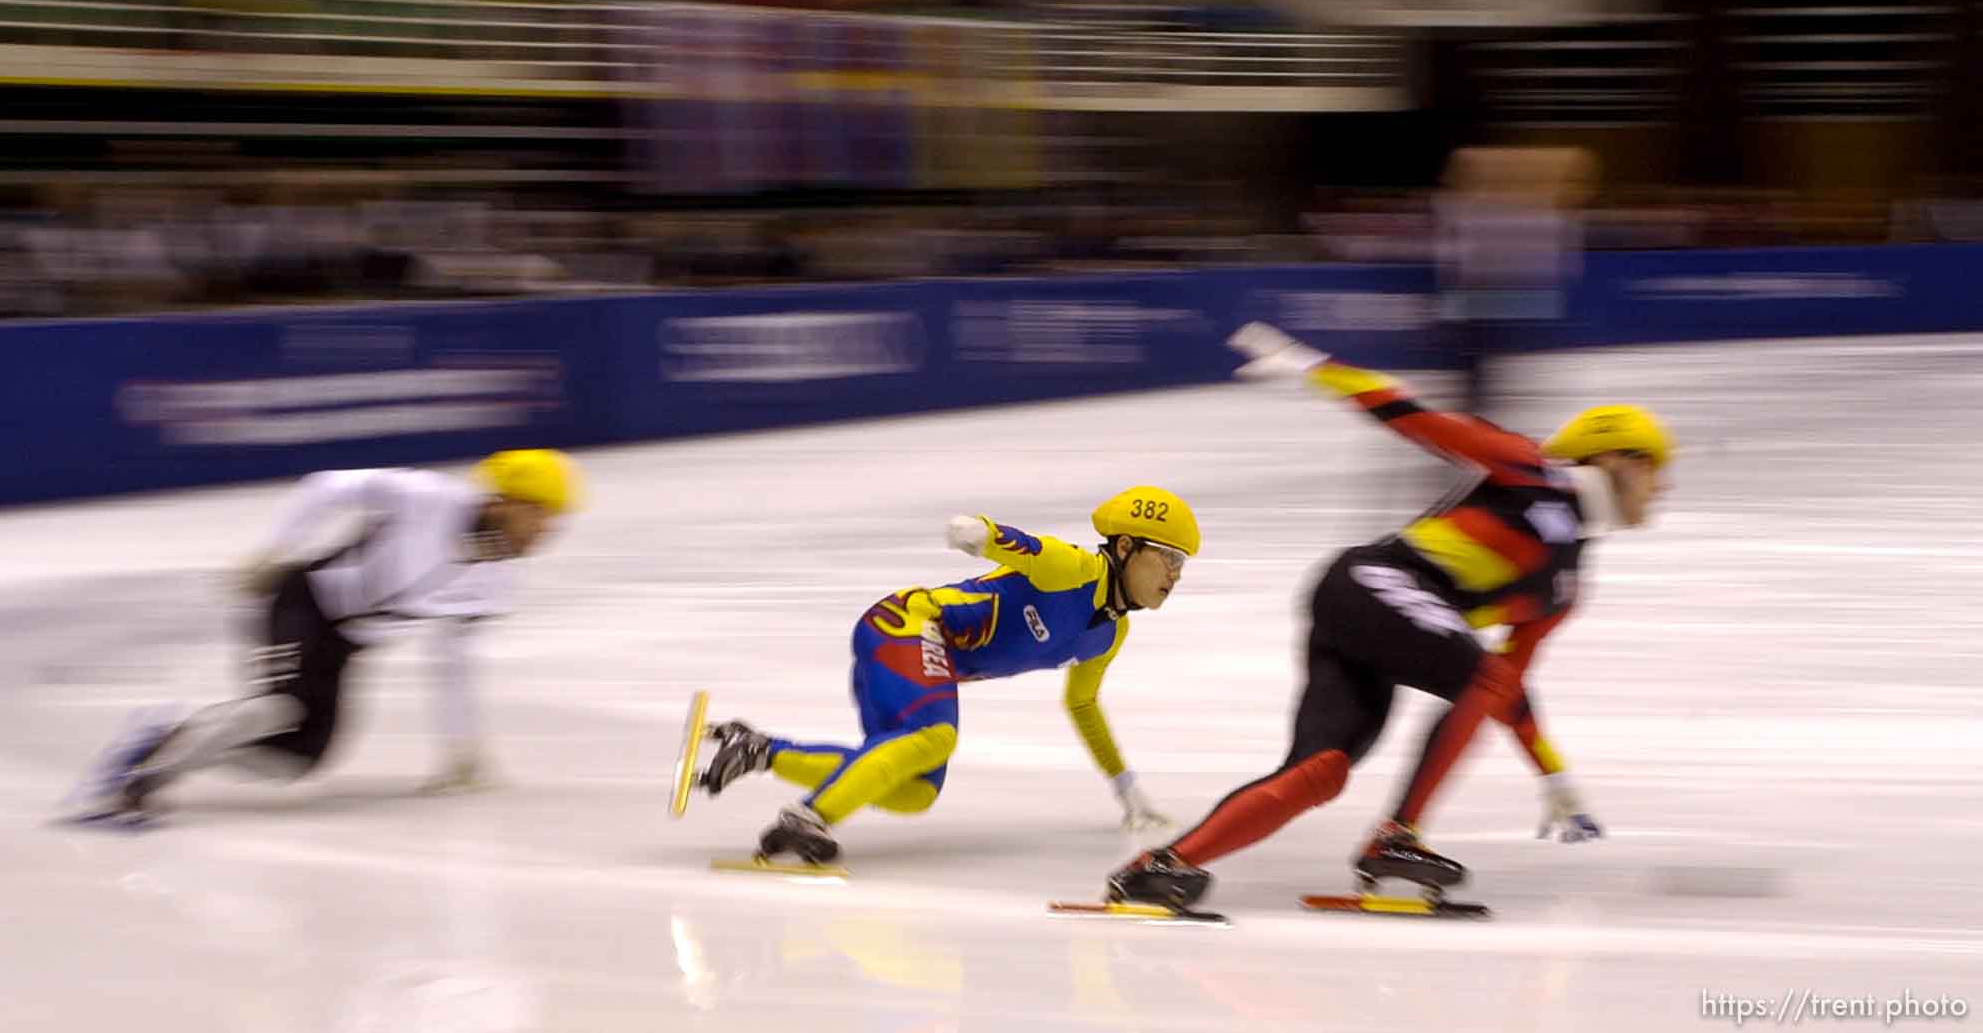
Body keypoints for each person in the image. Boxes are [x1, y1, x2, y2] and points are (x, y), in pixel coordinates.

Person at [1107, 322, 1670, 910]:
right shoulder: (1533, 470)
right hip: (1368, 583)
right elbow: (1413, 416)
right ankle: (1396, 839)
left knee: (1321, 771)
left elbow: (1511, 684)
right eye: (1656, 467)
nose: (1661, 488)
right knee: (1478, 676)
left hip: (1371, 616)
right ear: (1615, 457)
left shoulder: (1566, 585)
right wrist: (1312, 366)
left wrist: (1552, 775)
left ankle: (1158, 868)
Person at [694, 488, 1199, 864]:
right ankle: (806, 819)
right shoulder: (1078, 570)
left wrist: (1125, 787)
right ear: (1128, 546)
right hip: (909, 623)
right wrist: (982, 533)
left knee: (916, 792)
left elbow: (1083, 705)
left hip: (924, 653)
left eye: (1182, 564)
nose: (1174, 574)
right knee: (935, 737)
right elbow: (1029, 548)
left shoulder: (1109, 635)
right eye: (1168, 557)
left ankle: (758, 750)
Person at [72, 449, 582, 821]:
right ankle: (138, 778)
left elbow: (453, 666)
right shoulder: (425, 498)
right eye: (536, 512)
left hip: (345, 646)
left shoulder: (495, 582)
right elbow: (326, 486)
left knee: (296, 761)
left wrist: (460, 751)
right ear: (498, 501)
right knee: (281, 708)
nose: (544, 531)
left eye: (553, 521)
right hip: (303, 600)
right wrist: (272, 552)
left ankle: (167, 734)